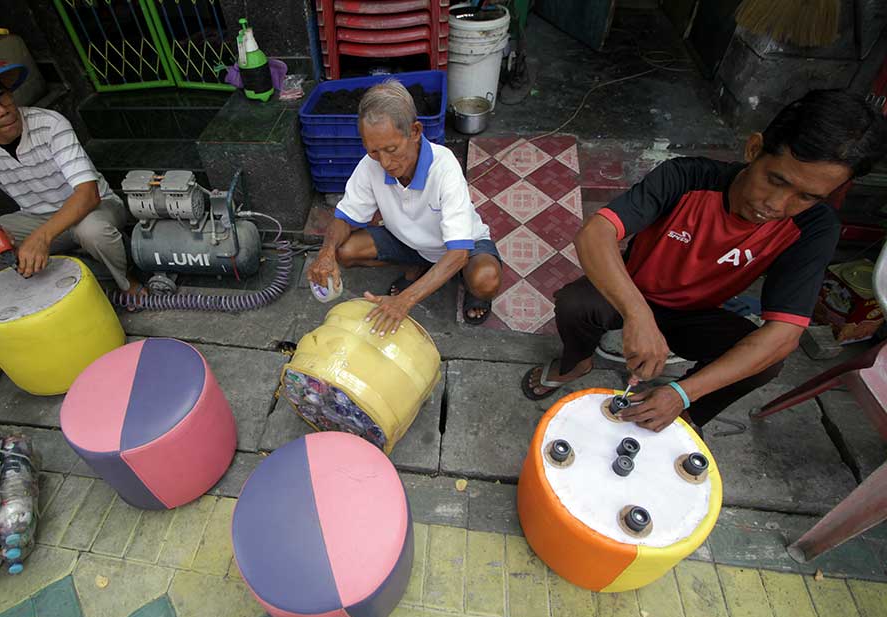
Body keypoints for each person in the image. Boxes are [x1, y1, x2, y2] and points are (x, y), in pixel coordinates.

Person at [521, 89, 887, 431]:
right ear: (754, 149)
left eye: (807, 196)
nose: (776, 205)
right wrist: (638, 315)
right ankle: (577, 362)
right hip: (634, 289)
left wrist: (684, 392)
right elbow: (595, 234)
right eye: (775, 179)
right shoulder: (686, 177)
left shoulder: (814, 227)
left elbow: (784, 333)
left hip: (698, 314)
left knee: (767, 360)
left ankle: (683, 416)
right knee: (575, 303)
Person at [0, 55, 141, 295]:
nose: (1, 109)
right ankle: (45, 289)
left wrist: (42, 237)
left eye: (1, 94)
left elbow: (88, 195)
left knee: (91, 231)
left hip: (93, 209)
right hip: (35, 217)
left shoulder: (49, 123)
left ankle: (127, 283)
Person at [307, 80, 501, 334]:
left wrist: (404, 300)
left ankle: (442, 276)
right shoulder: (370, 165)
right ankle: (422, 265)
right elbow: (345, 217)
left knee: (485, 280)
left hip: (460, 247)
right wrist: (326, 253)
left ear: (415, 131)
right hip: (408, 241)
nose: (385, 162)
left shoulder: (444, 168)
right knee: (344, 251)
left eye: (392, 149)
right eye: (374, 151)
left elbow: (459, 253)